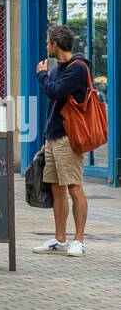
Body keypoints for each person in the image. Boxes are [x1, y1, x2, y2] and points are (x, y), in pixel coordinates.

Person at [34, 24, 89, 257]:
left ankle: (79, 240)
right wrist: (46, 137)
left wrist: (41, 75)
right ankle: (59, 239)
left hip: (69, 138)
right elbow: (54, 106)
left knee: (74, 188)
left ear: (55, 45)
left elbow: (54, 91)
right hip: (54, 137)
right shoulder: (59, 69)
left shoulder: (78, 68)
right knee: (57, 188)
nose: (47, 47)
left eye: (48, 43)